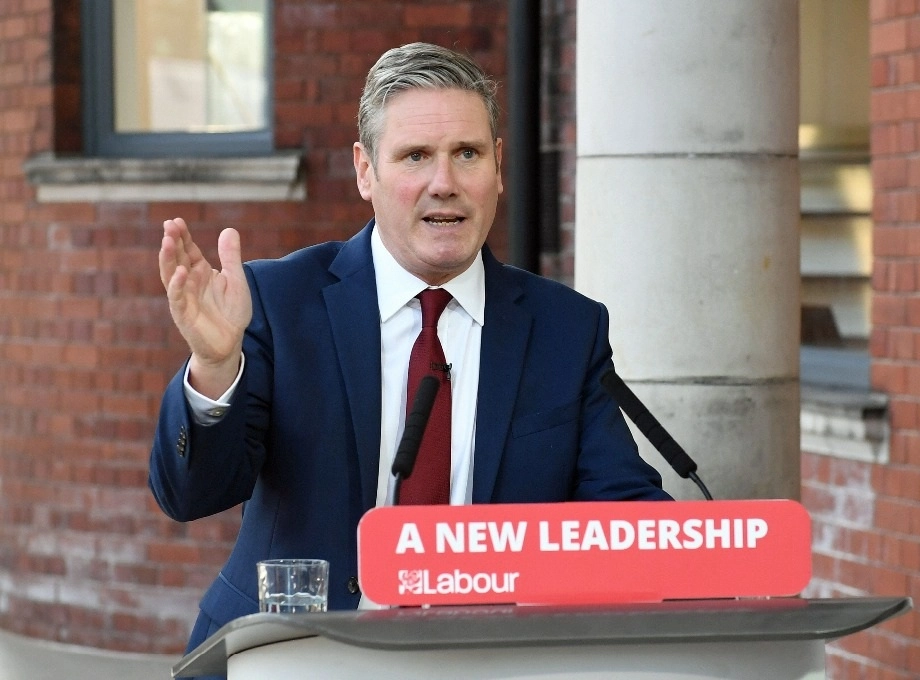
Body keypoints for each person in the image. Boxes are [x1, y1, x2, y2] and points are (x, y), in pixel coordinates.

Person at [150, 41, 671, 665]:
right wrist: (212, 369)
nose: (444, 184)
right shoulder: (280, 303)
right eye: (416, 156)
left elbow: (626, 520)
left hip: (492, 664)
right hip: (293, 656)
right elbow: (191, 496)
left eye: (467, 154)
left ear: (499, 168)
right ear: (365, 171)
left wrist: (708, 557)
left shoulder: (565, 329)